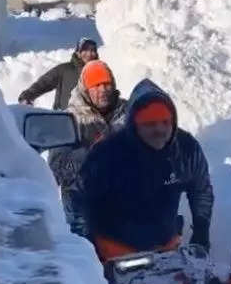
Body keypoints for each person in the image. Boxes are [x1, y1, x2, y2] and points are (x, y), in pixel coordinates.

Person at [72, 79, 213, 257]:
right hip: (115, 251)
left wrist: (201, 234)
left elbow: (201, 190)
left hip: (166, 248)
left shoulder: (186, 150)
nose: (159, 130)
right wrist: (85, 248)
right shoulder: (107, 152)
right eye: (149, 124)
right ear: (134, 125)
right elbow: (79, 198)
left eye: (165, 122)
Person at [48, 60, 127, 223]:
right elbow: (56, 170)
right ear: (85, 89)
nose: (103, 90)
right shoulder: (69, 121)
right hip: (84, 210)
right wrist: (90, 154)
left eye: (107, 84)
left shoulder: (129, 112)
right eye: (96, 85)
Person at [18, 37, 98, 110]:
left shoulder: (99, 72)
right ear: (78, 52)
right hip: (65, 118)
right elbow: (45, 82)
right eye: (85, 50)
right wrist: (27, 96)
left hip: (91, 121)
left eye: (92, 50)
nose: (89, 54)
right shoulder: (65, 69)